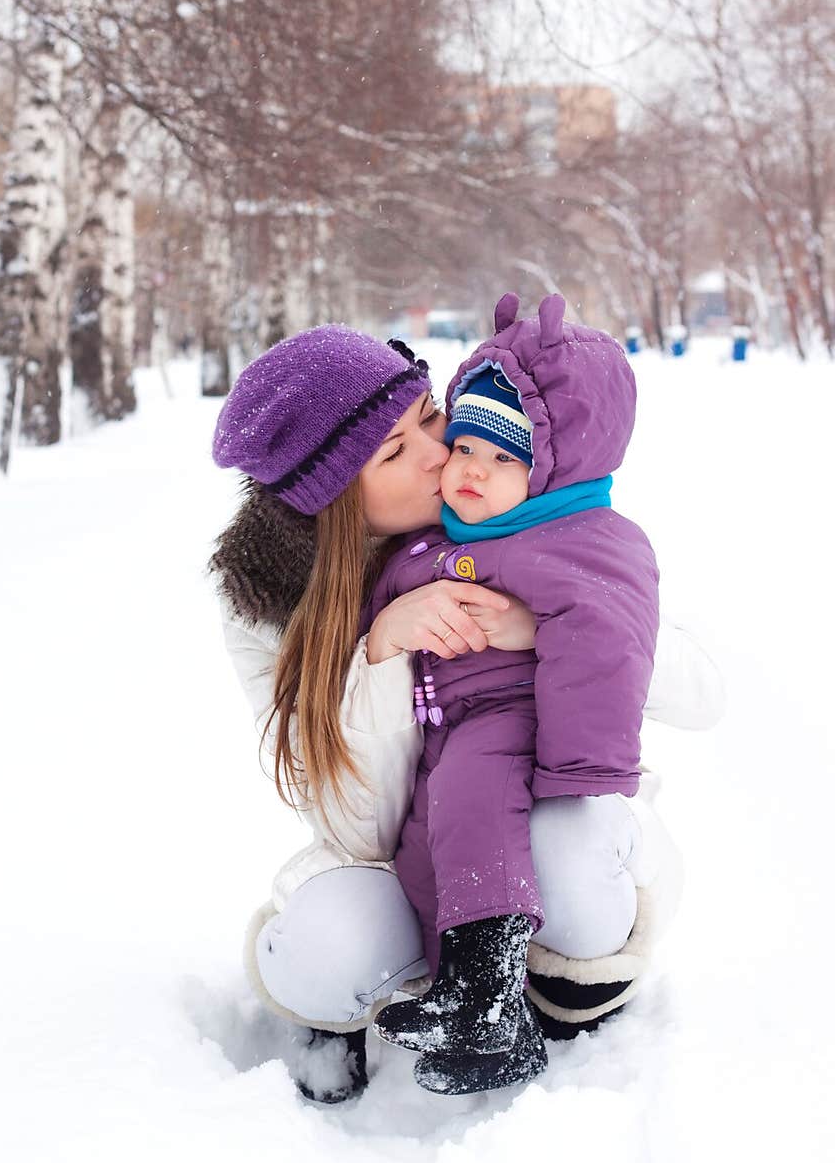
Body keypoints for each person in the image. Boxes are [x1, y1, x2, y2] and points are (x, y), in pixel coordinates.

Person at [209, 320, 724, 1103]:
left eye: (426, 413)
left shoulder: (522, 495)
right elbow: (352, 824)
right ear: (336, 501)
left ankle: (565, 985)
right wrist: (380, 652)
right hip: (398, 859)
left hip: (545, 815)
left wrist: (549, 627)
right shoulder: (270, 611)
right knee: (325, 948)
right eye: (393, 452)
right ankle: (365, 1006)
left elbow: (701, 693)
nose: (437, 452)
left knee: (573, 857)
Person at [367, 293, 659, 1095]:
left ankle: (487, 994)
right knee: (427, 851)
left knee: (471, 802)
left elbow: (610, 641)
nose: (469, 469)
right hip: (447, 729)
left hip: (514, 721)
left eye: (503, 459)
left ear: (555, 468)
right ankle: (463, 993)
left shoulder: (584, 541)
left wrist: (575, 771)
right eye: (463, 444)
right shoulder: (440, 539)